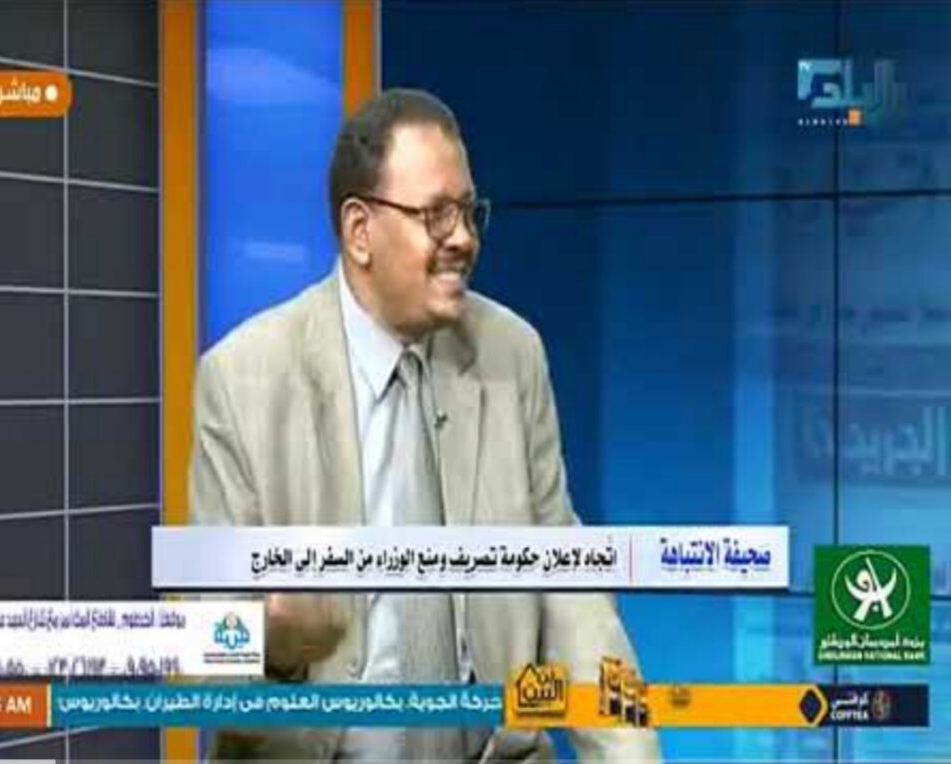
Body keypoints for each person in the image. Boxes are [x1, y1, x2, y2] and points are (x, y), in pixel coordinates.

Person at [190, 88, 661, 762]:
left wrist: (630, 752)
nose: (464, 238)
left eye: (469, 211)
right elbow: (202, 654)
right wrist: (277, 641)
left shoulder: (510, 354)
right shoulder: (243, 380)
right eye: (436, 215)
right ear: (360, 232)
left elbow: (572, 591)